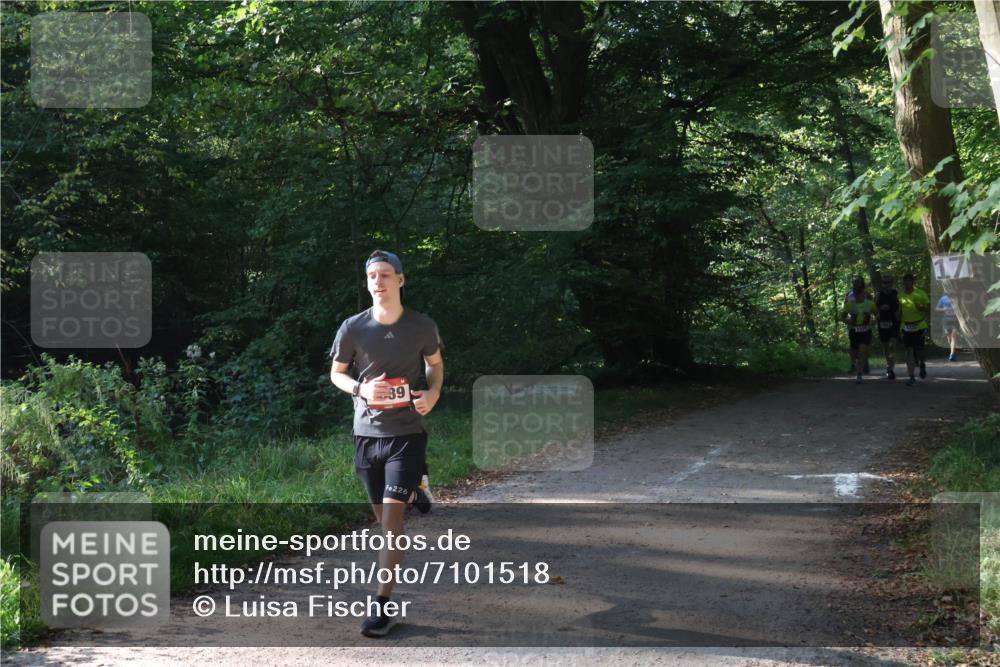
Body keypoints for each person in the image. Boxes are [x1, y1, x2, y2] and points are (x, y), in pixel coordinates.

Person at [329, 250, 444, 637]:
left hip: (407, 434)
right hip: (367, 436)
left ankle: (381, 605)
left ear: (400, 280)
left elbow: (435, 364)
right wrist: (362, 388)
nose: (377, 282)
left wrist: (434, 391)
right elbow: (337, 374)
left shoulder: (422, 325)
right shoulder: (352, 328)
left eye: (385, 275)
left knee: (392, 522)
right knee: (382, 522)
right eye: (372, 276)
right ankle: (418, 486)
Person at [898, 273, 931, 386]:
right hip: (906, 326)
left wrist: (923, 307)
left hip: (919, 325)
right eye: (905, 282)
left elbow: (928, 308)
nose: (907, 284)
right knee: (909, 351)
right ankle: (911, 377)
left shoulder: (920, 293)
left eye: (909, 281)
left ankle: (922, 364)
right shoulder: (901, 296)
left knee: (920, 350)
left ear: (913, 282)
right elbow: (899, 311)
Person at [842, 278, 876, 384]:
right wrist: (849, 320)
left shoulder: (868, 295)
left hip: (865, 327)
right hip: (853, 326)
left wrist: (872, 321)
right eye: (854, 282)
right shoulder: (848, 294)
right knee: (854, 350)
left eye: (857, 282)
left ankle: (861, 370)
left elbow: (874, 310)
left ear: (862, 284)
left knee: (863, 348)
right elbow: (844, 311)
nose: (855, 284)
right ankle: (856, 364)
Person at [875, 275, 901, 380]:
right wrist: (880, 310)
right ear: (882, 284)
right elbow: (874, 308)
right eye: (885, 282)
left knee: (892, 346)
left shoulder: (896, 294)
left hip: (894, 322)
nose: (887, 285)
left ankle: (891, 369)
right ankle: (888, 366)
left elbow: (901, 305)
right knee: (886, 347)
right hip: (882, 323)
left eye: (889, 282)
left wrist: (899, 313)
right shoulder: (878, 295)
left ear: (892, 283)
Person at [936, 293, 959, 361]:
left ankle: (952, 354)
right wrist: (944, 309)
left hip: (955, 318)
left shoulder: (956, 296)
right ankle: (953, 352)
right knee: (949, 339)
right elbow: (937, 308)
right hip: (946, 319)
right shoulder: (943, 298)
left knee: (953, 337)